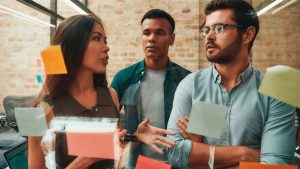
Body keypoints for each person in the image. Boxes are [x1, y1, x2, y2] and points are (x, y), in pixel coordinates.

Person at [167, 0, 296, 168]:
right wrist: (247, 154)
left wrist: (202, 150)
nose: (209, 36)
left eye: (219, 28)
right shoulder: (192, 86)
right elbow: (175, 154)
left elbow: (275, 166)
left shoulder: (275, 92)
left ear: (247, 35)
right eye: (206, 30)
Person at [28, 15, 127, 169]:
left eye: (105, 40)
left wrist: (135, 139)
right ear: (74, 46)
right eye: (96, 38)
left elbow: (115, 158)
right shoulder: (38, 111)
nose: (106, 47)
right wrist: (87, 159)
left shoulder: (111, 95)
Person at [111, 9, 191, 168]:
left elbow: (208, 134)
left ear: (172, 39)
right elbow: (109, 132)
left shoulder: (187, 80)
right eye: (146, 33)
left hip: (178, 164)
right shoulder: (124, 78)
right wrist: (135, 136)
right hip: (137, 164)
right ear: (141, 37)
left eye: (160, 33)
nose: (152, 38)